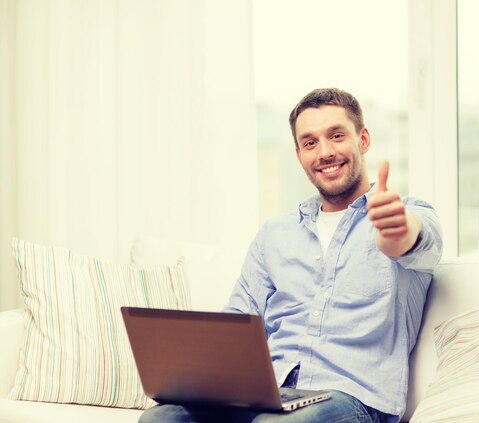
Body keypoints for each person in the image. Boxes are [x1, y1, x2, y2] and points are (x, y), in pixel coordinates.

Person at [139, 88, 442, 422]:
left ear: (363, 139)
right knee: (160, 419)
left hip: (352, 400)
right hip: (269, 395)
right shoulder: (275, 236)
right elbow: (238, 323)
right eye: (310, 143)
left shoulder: (406, 213)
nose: (325, 152)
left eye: (337, 136)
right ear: (299, 156)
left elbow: (413, 242)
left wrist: (396, 233)